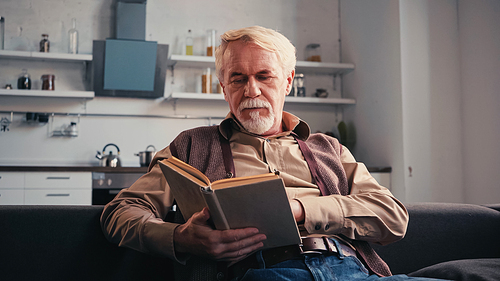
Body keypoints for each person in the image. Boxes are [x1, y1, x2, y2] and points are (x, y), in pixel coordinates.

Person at [101, 26, 446, 281]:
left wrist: (300, 210)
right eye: (237, 79)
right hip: (261, 273)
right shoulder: (191, 146)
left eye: (265, 76)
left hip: (352, 270)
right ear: (223, 88)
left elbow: (393, 217)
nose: (252, 90)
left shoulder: (329, 148)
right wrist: (180, 239)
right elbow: (121, 211)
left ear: (288, 80)